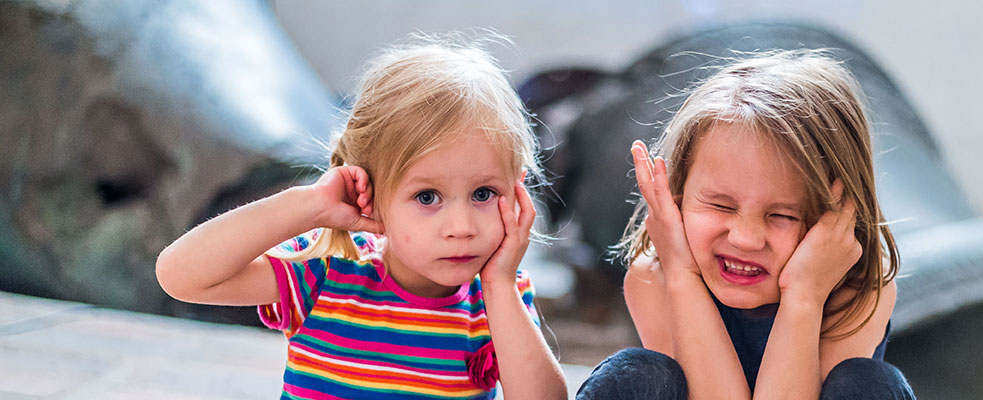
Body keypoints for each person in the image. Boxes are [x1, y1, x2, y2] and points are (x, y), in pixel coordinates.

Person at [156, 33, 567, 400]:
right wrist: (307, 205)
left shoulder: (497, 298)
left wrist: (499, 287)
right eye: (427, 197)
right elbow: (181, 276)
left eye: (483, 193)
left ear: (516, 192)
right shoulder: (326, 271)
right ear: (370, 193)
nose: (461, 227)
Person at [576, 49, 915, 400]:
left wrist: (804, 297)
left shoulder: (857, 294)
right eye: (720, 205)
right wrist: (682, 275)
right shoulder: (654, 279)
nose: (745, 238)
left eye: (783, 215)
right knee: (636, 376)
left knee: (869, 383)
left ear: (840, 216)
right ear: (677, 195)